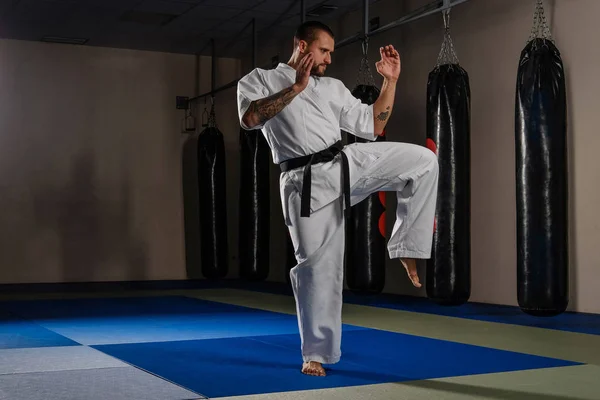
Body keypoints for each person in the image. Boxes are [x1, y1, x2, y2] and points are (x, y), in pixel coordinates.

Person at [236, 21, 439, 377]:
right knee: (318, 269)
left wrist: (390, 82)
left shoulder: (332, 87)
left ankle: (407, 244)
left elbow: (373, 126)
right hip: (303, 183)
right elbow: (250, 117)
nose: (329, 58)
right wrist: (297, 88)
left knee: (424, 162)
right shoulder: (259, 80)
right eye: (324, 50)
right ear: (302, 46)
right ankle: (314, 354)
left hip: (346, 163)